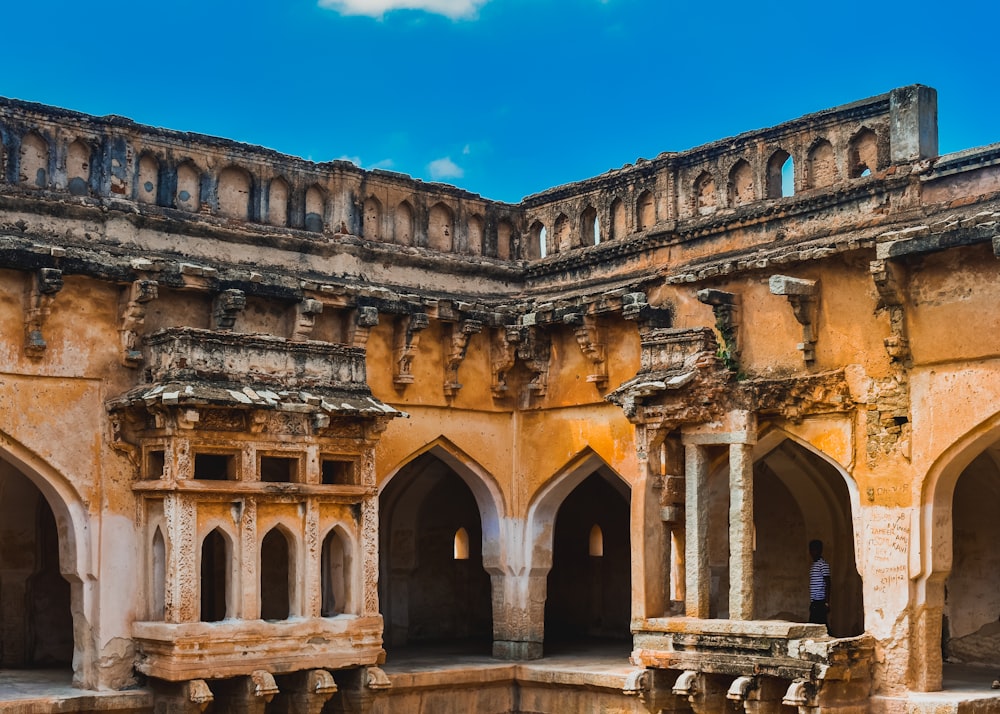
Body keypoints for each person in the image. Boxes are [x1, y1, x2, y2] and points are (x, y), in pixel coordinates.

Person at [808, 539, 831, 626]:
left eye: (814, 550)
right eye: (811, 550)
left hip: (820, 601)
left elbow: (828, 582)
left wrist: (827, 602)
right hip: (814, 601)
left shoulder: (823, 564)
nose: (812, 552)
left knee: (817, 625)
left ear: (820, 550)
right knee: (818, 624)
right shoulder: (814, 565)